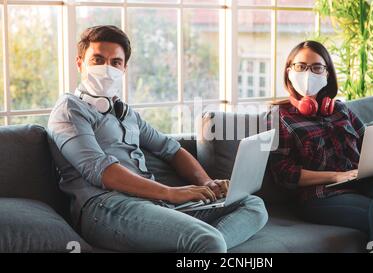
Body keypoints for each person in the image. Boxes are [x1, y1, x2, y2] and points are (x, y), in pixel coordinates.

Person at [47, 25, 268, 253]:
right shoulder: (69, 110)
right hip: (104, 207)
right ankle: (207, 245)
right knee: (207, 241)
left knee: (252, 204)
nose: (107, 68)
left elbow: (171, 149)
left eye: (115, 63)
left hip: (153, 204)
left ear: (124, 68)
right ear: (80, 63)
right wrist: (170, 192)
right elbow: (101, 171)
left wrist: (207, 182)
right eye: (98, 60)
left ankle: (206, 246)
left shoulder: (126, 113)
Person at [268, 40, 373, 253]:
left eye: (317, 67)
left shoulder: (340, 109)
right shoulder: (278, 117)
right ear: (289, 71)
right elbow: (283, 173)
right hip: (320, 195)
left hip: (359, 181)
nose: (308, 73)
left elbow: (370, 141)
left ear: (327, 74)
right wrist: (335, 176)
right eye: (300, 66)